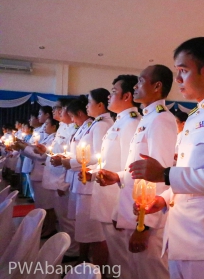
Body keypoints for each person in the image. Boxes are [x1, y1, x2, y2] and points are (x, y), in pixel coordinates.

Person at [130, 37, 204, 279]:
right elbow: (190, 170)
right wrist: (163, 199)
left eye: (183, 71)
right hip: (181, 236)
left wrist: (163, 174)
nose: (177, 80)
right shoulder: (196, 114)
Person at [99, 64, 177, 279]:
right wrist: (117, 176)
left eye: (142, 81)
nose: (135, 85)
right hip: (136, 211)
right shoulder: (148, 118)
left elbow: (160, 176)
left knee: (151, 272)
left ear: (157, 86)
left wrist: (144, 227)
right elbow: (138, 168)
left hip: (147, 216)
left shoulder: (161, 119)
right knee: (135, 271)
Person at [92, 75, 140, 278]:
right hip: (107, 197)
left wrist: (121, 212)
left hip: (116, 202)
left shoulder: (131, 123)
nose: (110, 96)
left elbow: (131, 170)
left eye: (113, 92)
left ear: (127, 95)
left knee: (122, 262)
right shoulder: (119, 121)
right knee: (115, 256)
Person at [59, 91, 114, 266]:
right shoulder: (94, 124)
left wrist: (71, 162)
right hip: (82, 181)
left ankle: (97, 269)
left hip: (90, 182)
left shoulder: (101, 125)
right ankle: (82, 261)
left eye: (90, 102)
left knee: (95, 233)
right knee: (84, 228)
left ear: (100, 105)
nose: (87, 106)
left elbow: (98, 156)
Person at [44, 98, 80, 260]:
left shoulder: (73, 129)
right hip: (55, 177)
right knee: (62, 216)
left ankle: (72, 250)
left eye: (60, 109)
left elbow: (71, 158)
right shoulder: (63, 128)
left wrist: (64, 183)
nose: (57, 112)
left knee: (67, 219)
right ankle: (65, 245)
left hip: (63, 181)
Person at [15, 117, 58, 237]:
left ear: (54, 126)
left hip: (43, 172)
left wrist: (24, 147)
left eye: (47, 124)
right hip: (37, 171)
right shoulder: (47, 137)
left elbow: (41, 155)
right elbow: (35, 149)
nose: (44, 126)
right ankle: (45, 225)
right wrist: (23, 146)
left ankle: (51, 227)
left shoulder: (54, 137)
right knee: (41, 203)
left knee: (48, 205)